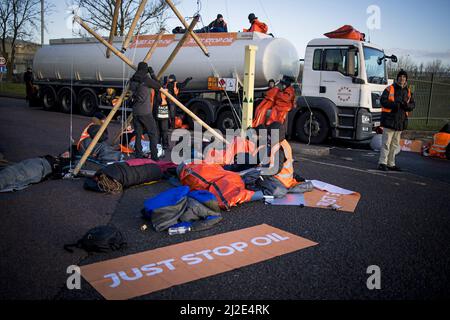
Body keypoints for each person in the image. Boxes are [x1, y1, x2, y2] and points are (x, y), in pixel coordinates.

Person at [378, 70, 415, 171]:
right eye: (400, 77)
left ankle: (391, 163)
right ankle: (382, 163)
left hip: (400, 122)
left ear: (406, 79)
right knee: (386, 143)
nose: (402, 78)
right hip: (389, 120)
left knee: (394, 144)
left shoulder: (408, 91)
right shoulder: (390, 88)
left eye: (404, 77)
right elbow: (383, 101)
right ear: (397, 78)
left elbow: (412, 105)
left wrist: (406, 106)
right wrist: (396, 105)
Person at [129, 61, 162, 160]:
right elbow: (158, 85)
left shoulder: (133, 79)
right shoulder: (146, 79)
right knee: (153, 133)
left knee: (138, 133)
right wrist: (152, 73)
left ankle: (138, 155)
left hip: (135, 111)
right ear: (145, 70)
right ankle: (154, 156)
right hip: (145, 111)